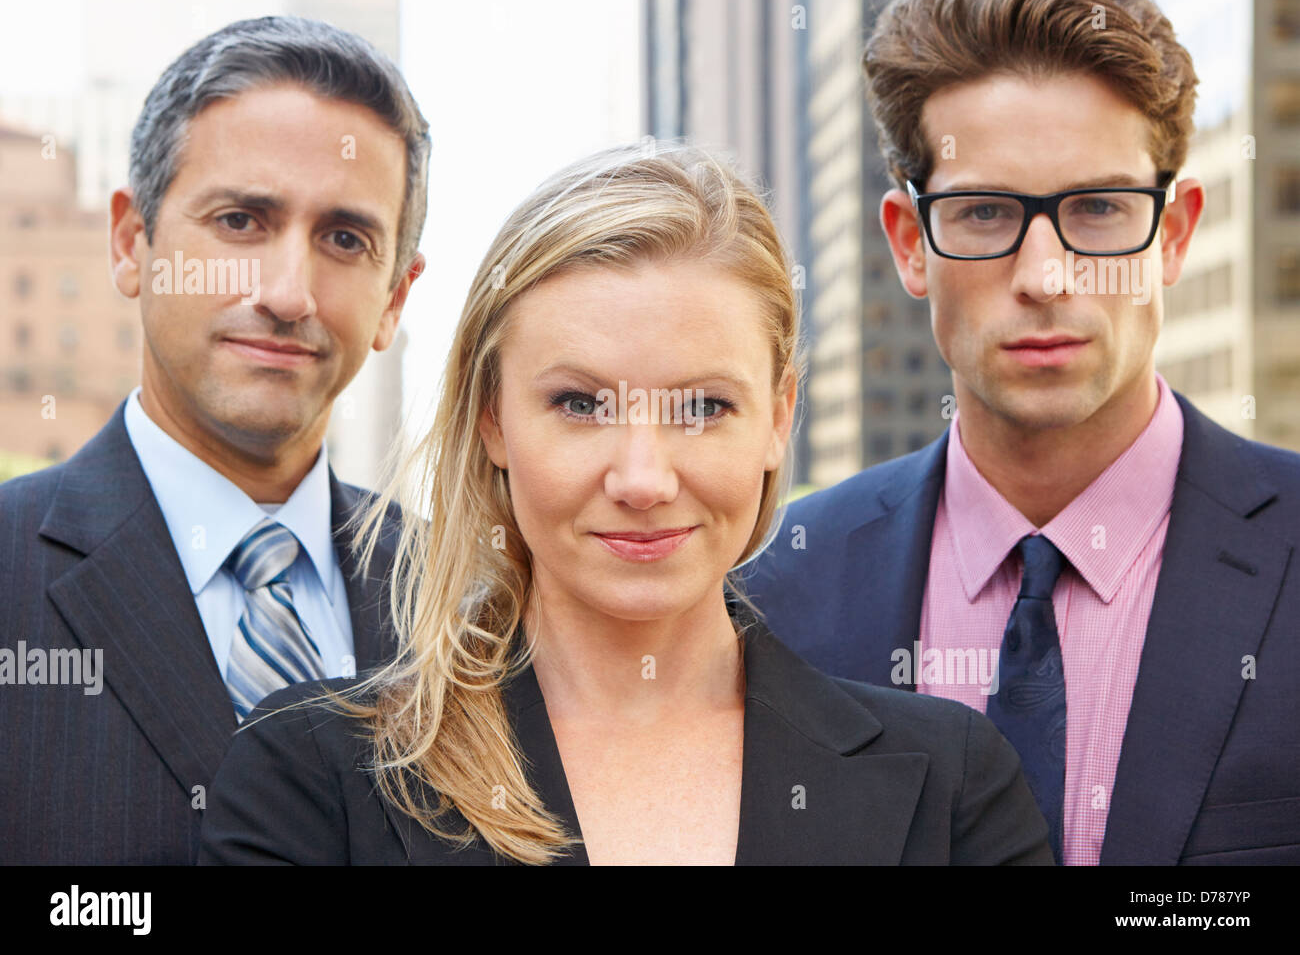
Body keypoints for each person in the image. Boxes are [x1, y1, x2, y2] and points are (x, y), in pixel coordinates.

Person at [198, 144, 1053, 865]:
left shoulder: (953, 788)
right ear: (493, 419)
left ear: (778, 418)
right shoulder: (311, 776)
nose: (642, 480)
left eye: (703, 407)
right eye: (580, 404)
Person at [742, 0, 1300, 865]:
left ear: (1177, 233)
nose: (1045, 278)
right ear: (909, 244)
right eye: (985, 214)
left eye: (1101, 207)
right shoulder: (773, 599)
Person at [0, 16, 428, 863]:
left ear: (394, 298)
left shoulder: (465, 610)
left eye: (345, 239)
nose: (287, 292)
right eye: (240, 221)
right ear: (133, 244)